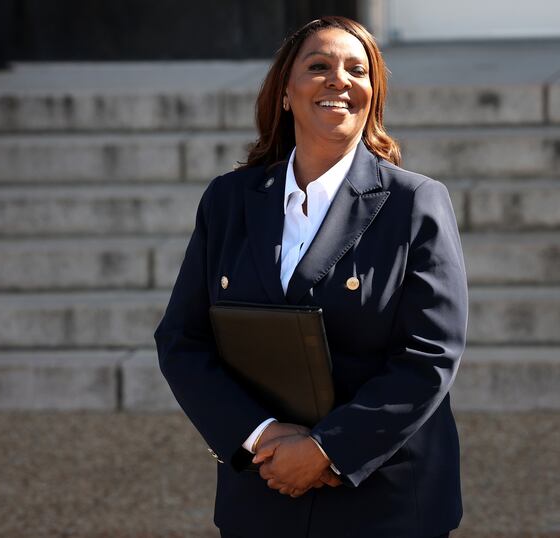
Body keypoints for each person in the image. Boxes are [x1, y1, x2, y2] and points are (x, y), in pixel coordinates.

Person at [154, 15, 468, 538]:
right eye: (318, 66)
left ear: (373, 95)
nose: (339, 80)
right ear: (284, 92)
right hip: (263, 491)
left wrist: (327, 450)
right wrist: (261, 436)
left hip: (383, 503)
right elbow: (182, 340)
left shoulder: (415, 203)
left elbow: (430, 354)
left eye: (357, 70)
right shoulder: (228, 201)